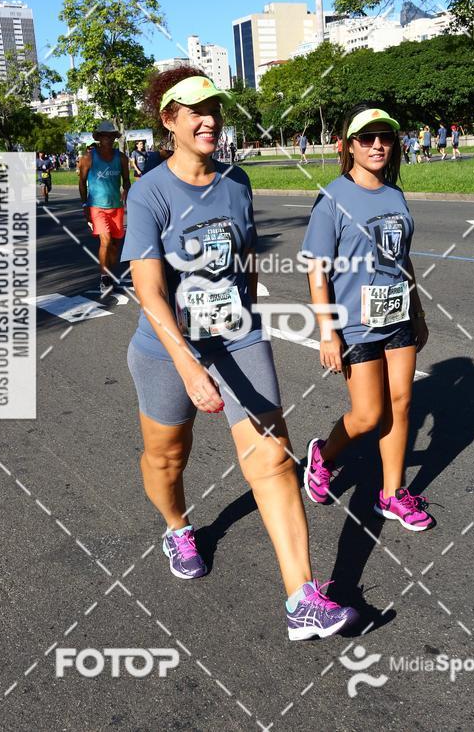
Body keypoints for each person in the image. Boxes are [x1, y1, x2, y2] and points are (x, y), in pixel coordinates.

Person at [122, 67, 358, 640]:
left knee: (275, 460)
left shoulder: (237, 181)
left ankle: (302, 597)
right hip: (166, 349)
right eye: (195, 110)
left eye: (215, 109)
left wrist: (247, 318)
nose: (209, 120)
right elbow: (149, 290)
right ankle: (178, 525)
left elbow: (245, 259)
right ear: (169, 120)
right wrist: (187, 363)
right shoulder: (149, 193)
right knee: (167, 458)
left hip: (238, 335)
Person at [300, 104, 434, 532]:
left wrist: (418, 311)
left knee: (402, 404)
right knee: (367, 415)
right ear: (349, 146)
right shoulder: (332, 198)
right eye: (367, 138)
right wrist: (327, 331)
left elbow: (402, 259)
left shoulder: (395, 194)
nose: (378, 145)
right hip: (355, 322)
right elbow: (316, 267)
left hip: (396, 316)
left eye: (386, 137)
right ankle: (324, 455)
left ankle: (392, 494)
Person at [79, 121, 130, 297]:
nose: (107, 139)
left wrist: (127, 192)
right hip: (97, 207)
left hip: (116, 207)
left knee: (115, 246)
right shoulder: (88, 158)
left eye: (110, 136)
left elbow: (126, 180)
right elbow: (82, 182)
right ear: (98, 138)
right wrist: (84, 204)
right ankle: (104, 277)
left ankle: (108, 273)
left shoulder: (121, 158)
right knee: (106, 241)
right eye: (104, 136)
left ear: (114, 138)